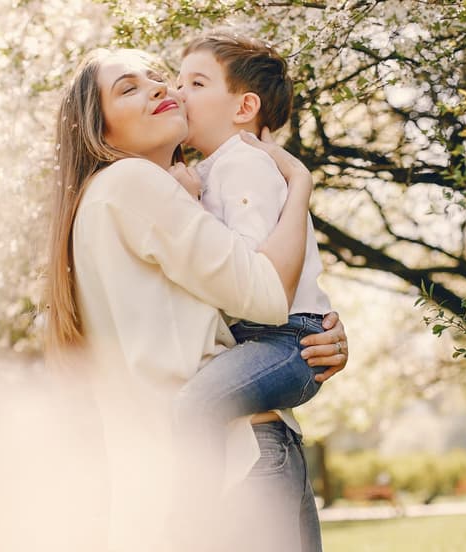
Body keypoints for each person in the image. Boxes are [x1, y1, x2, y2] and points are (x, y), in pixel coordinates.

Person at [44, 48, 348, 552]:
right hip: (235, 461)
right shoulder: (133, 182)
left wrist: (316, 337)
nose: (161, 88)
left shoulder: (111, 199)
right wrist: (299, 184)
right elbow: (268, 293)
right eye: (129, 88)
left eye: (158, 79)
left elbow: (230, 308)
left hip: (224, 454)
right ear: (98, 129)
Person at [168, 34, 338, 543]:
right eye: (178, 81)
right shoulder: (212, 168)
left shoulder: (243, 163)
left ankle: (194, 517)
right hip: (273, 340)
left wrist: (191, 207)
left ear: (244, 107)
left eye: (196, 83)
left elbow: (253, 271)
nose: (178, 93)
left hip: (289, 340)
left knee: (196, 406)